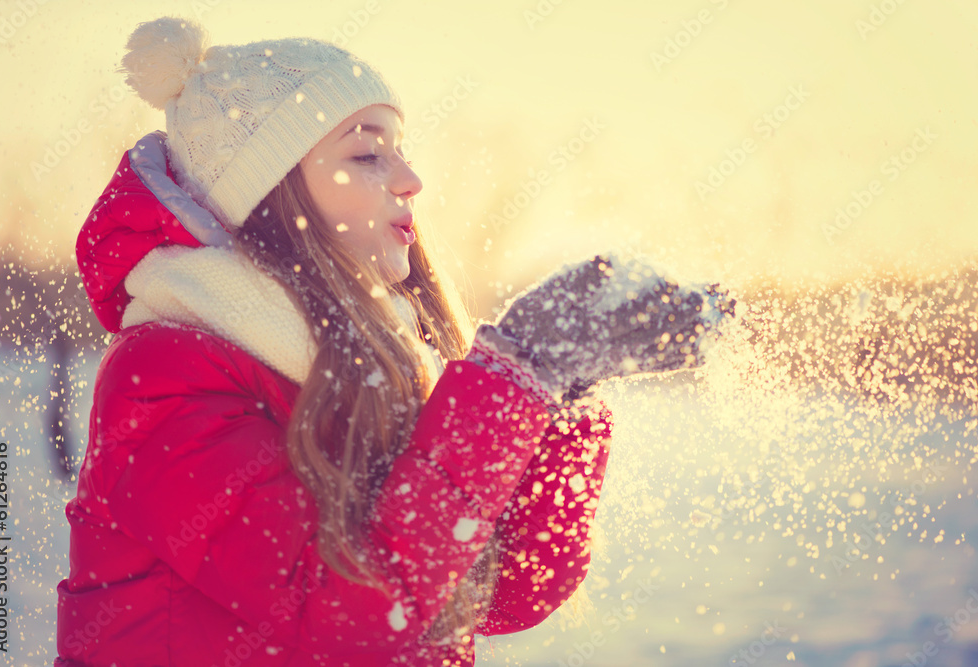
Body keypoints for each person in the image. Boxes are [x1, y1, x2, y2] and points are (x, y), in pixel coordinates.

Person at [55, 16, 734, 666]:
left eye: (401, 150)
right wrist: (518, 368)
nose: (410, 179)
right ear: (269, 190)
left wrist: (561, 393)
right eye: (367, 152)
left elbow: (504, 588)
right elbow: (350, 608)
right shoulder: (166, 377)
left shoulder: (378, 366)